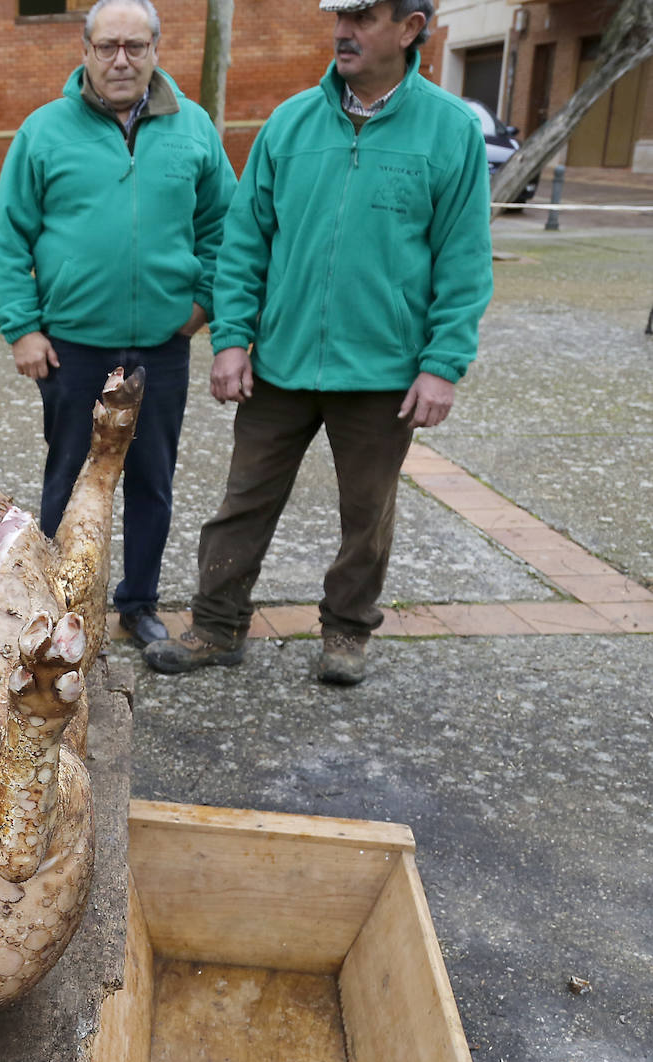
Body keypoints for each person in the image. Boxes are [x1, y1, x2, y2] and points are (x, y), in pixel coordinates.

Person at [144, 0, 492, 685]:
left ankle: (346, 632)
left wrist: (442, 365)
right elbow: (244, 244)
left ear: (411, 28)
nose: (344, 31)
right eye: (341, 17)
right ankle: (216, 626)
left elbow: (463, 261)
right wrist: (232, 340)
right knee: (242, 502)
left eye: (364, 17)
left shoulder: (449, 132)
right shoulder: (291, 123)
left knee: (367, 514)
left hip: (383, 372)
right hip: (280, 363)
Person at [0, 0, 236, 648]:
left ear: (156, 48)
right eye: (107, 47)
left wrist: (202, 304)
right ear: (86, 49)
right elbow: (10, 238)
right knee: (68, 477)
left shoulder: (194, 130)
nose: (120, 59)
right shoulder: (43, 133)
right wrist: (22, 328)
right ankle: (55, 600)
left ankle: (139, 603)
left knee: (152, 481)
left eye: (134, 45)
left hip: (162, 342)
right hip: (72, 347)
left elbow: (223, 227)